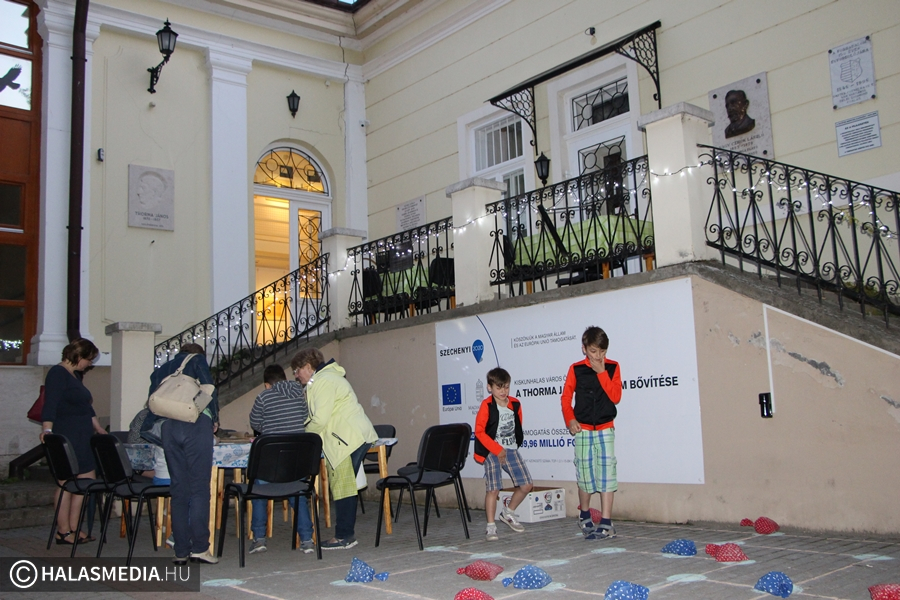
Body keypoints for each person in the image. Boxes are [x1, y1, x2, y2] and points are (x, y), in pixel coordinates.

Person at [292, 348, 377, 550]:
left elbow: (320, 419)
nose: (296, 375)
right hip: (351, 436)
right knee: (345, 486)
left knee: (343, 487)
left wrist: (302, 435)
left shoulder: (323, 381)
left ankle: (344, 536)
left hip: (346, 439)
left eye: (297, 370)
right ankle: (344, 535)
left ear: (307, 366)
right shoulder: (325, 379)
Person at [146, 343, 219, 565]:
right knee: (199, 489)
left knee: (179, 490)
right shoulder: (197, 360)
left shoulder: (163, 368)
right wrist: (210, 416)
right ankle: (200, 548)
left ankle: (180, 551)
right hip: (195, 425)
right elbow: (209, 388)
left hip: (168, 427)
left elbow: (153, 398)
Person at [40, 338, 105, 545]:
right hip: (67, 434)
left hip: (82, 436)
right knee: (66, 482)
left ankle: (75, 527)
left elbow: (86, 407)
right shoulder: (57, 373)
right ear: (78, 356)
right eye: (89, 359)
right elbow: (50, 403)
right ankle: (63, 530)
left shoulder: (75, 375)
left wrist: (98, 428)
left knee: (86, 481)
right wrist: (47, 429)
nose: (90, 364)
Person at [561, 326, 622, 540]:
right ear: (584, 349)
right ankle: (585, 514)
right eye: (593, 351)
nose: (598, 356)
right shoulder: (576, 369)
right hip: (583, 429)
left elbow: (616, 396)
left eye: (602, 351)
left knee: (607, 474)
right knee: (585, 474)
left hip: (605, 428)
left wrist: (602, 372)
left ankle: (606, 521)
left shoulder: (613, 367)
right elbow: (566, 397)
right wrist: (570, 419)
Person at [246, 364, 314, 555]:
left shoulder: (264, 397)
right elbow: (304, 417)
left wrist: (269, 426)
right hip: (295, 463)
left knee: (258, 492)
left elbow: (255, 422)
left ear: (267, 385)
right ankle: (307, 539)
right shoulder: (299, 394)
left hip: (270, 463)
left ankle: (259, 538)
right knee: (297, 494)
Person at [473, 367, 533, 541]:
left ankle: (508, 512)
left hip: (510, 449)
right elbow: (479, 432)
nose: (503, 391)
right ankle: (491, 526)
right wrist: (497, 449)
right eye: (499, 387)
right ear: (489, 387)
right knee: (493, 489)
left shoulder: (515, 404)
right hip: (492, 451)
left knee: (526, 485)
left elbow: (517, 426)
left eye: (506, 387)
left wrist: (512, 446)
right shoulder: (487, 405)